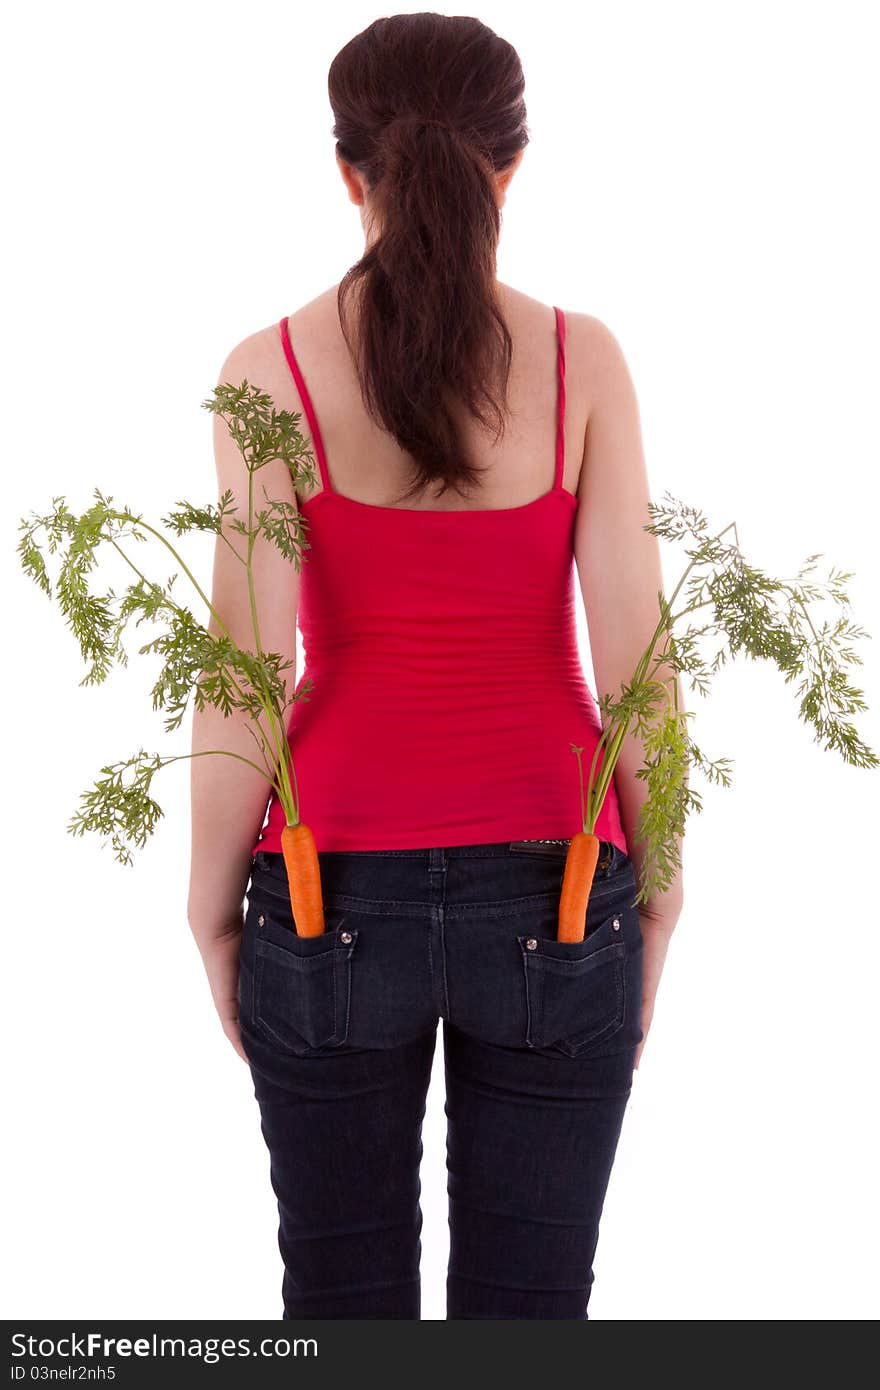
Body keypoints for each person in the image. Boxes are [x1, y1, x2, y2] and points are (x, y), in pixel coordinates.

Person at [188, 12, 683, 1320]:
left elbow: (245, 664)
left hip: (324, 891)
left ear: (348, 171)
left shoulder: (270, 374)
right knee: (529, 1318)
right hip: (564, 900)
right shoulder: (585, 364)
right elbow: (642, 663)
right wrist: (670, 891)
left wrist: (204, 905)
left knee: (341, 1312)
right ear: (510, 166)